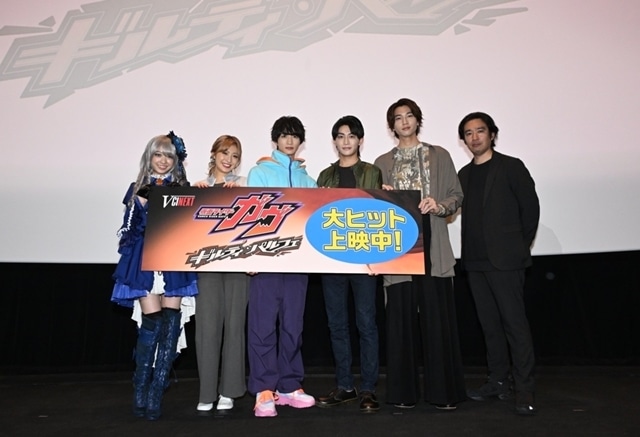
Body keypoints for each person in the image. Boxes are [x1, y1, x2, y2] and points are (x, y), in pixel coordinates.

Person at [373, 98, 466, 410]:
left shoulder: (439, 155)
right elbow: (372, 209)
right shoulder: (381, 163)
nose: (404, 122)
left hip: (433, 243)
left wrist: (438, 205)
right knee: (400, 322)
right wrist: (383, 197)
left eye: (409, 115)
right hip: (399, 248)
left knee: (437, 322)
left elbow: (456, 195)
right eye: (398, 117)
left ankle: (443, 393)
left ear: (417, 120)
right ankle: (403, 394)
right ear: (392, 125)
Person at [457, 112, 540, 416]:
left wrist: (517, 247)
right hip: (475, 262)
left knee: (514, 326)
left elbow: (530, 210)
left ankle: (524, 389)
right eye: (468, 133)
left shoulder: (511, 166)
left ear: (492, 134)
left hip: (505, 262)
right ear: (464, 140)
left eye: (480, 131)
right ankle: (498, 381)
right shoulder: (464, 175)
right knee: (489, 326)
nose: (474, 137)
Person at [111, 131, 198, 420]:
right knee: (151, 324)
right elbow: (126, 232)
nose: (162, 160)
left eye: (168, 156)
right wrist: (140, 205)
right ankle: (140, 388)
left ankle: (156, 393)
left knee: (171, 327)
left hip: (174, 262)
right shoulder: (138, 188)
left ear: (176, 161)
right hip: (145, 261)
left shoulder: (182, 189)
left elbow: (191, 228)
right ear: (149, 157)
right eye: (158, 154)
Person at [245, 116, 318, 417]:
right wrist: (251, 256)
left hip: (298, 262)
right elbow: (251, 218)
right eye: (284, 135)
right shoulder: (260, 172)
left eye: (295, 136)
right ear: (275, 139)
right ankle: (264, 388)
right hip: (266, 260)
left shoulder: (307, 179)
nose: (290, 141)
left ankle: (289, 384)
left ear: (300, 141)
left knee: (293, 326)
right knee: (262, 325)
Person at [315, 116, 382, 413]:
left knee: (366, 324)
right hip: (332, 260)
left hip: (365, 260)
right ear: (334, 141)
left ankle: (368, 388)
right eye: (340, 136)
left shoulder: (372, 172)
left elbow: (379, 215)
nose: (346, 141)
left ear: (360, 140)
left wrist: (378, 257)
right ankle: (345, 386)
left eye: (351, 136)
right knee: (337, 325)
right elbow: (317, 218)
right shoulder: (324, 175)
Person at [193, 135, 250, 414]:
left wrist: (243, 192)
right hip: (207, 266)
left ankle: (229, 390)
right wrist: (194, 197)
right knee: (207, 328)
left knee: (235, 326)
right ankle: (207, 392)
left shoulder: (245, 185)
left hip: (238, 266)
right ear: (214, 154)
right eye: (225, 153)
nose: (229, 159)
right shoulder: (198, 188)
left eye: (235, 155)